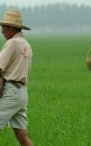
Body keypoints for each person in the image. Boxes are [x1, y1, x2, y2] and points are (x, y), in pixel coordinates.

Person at [0, 9, 33, 146]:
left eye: (4, 27)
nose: (2, 31)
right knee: (22, 135)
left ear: (11, 28)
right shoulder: (26, 44)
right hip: (21, 93)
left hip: (10, 92)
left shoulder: (12, 43)